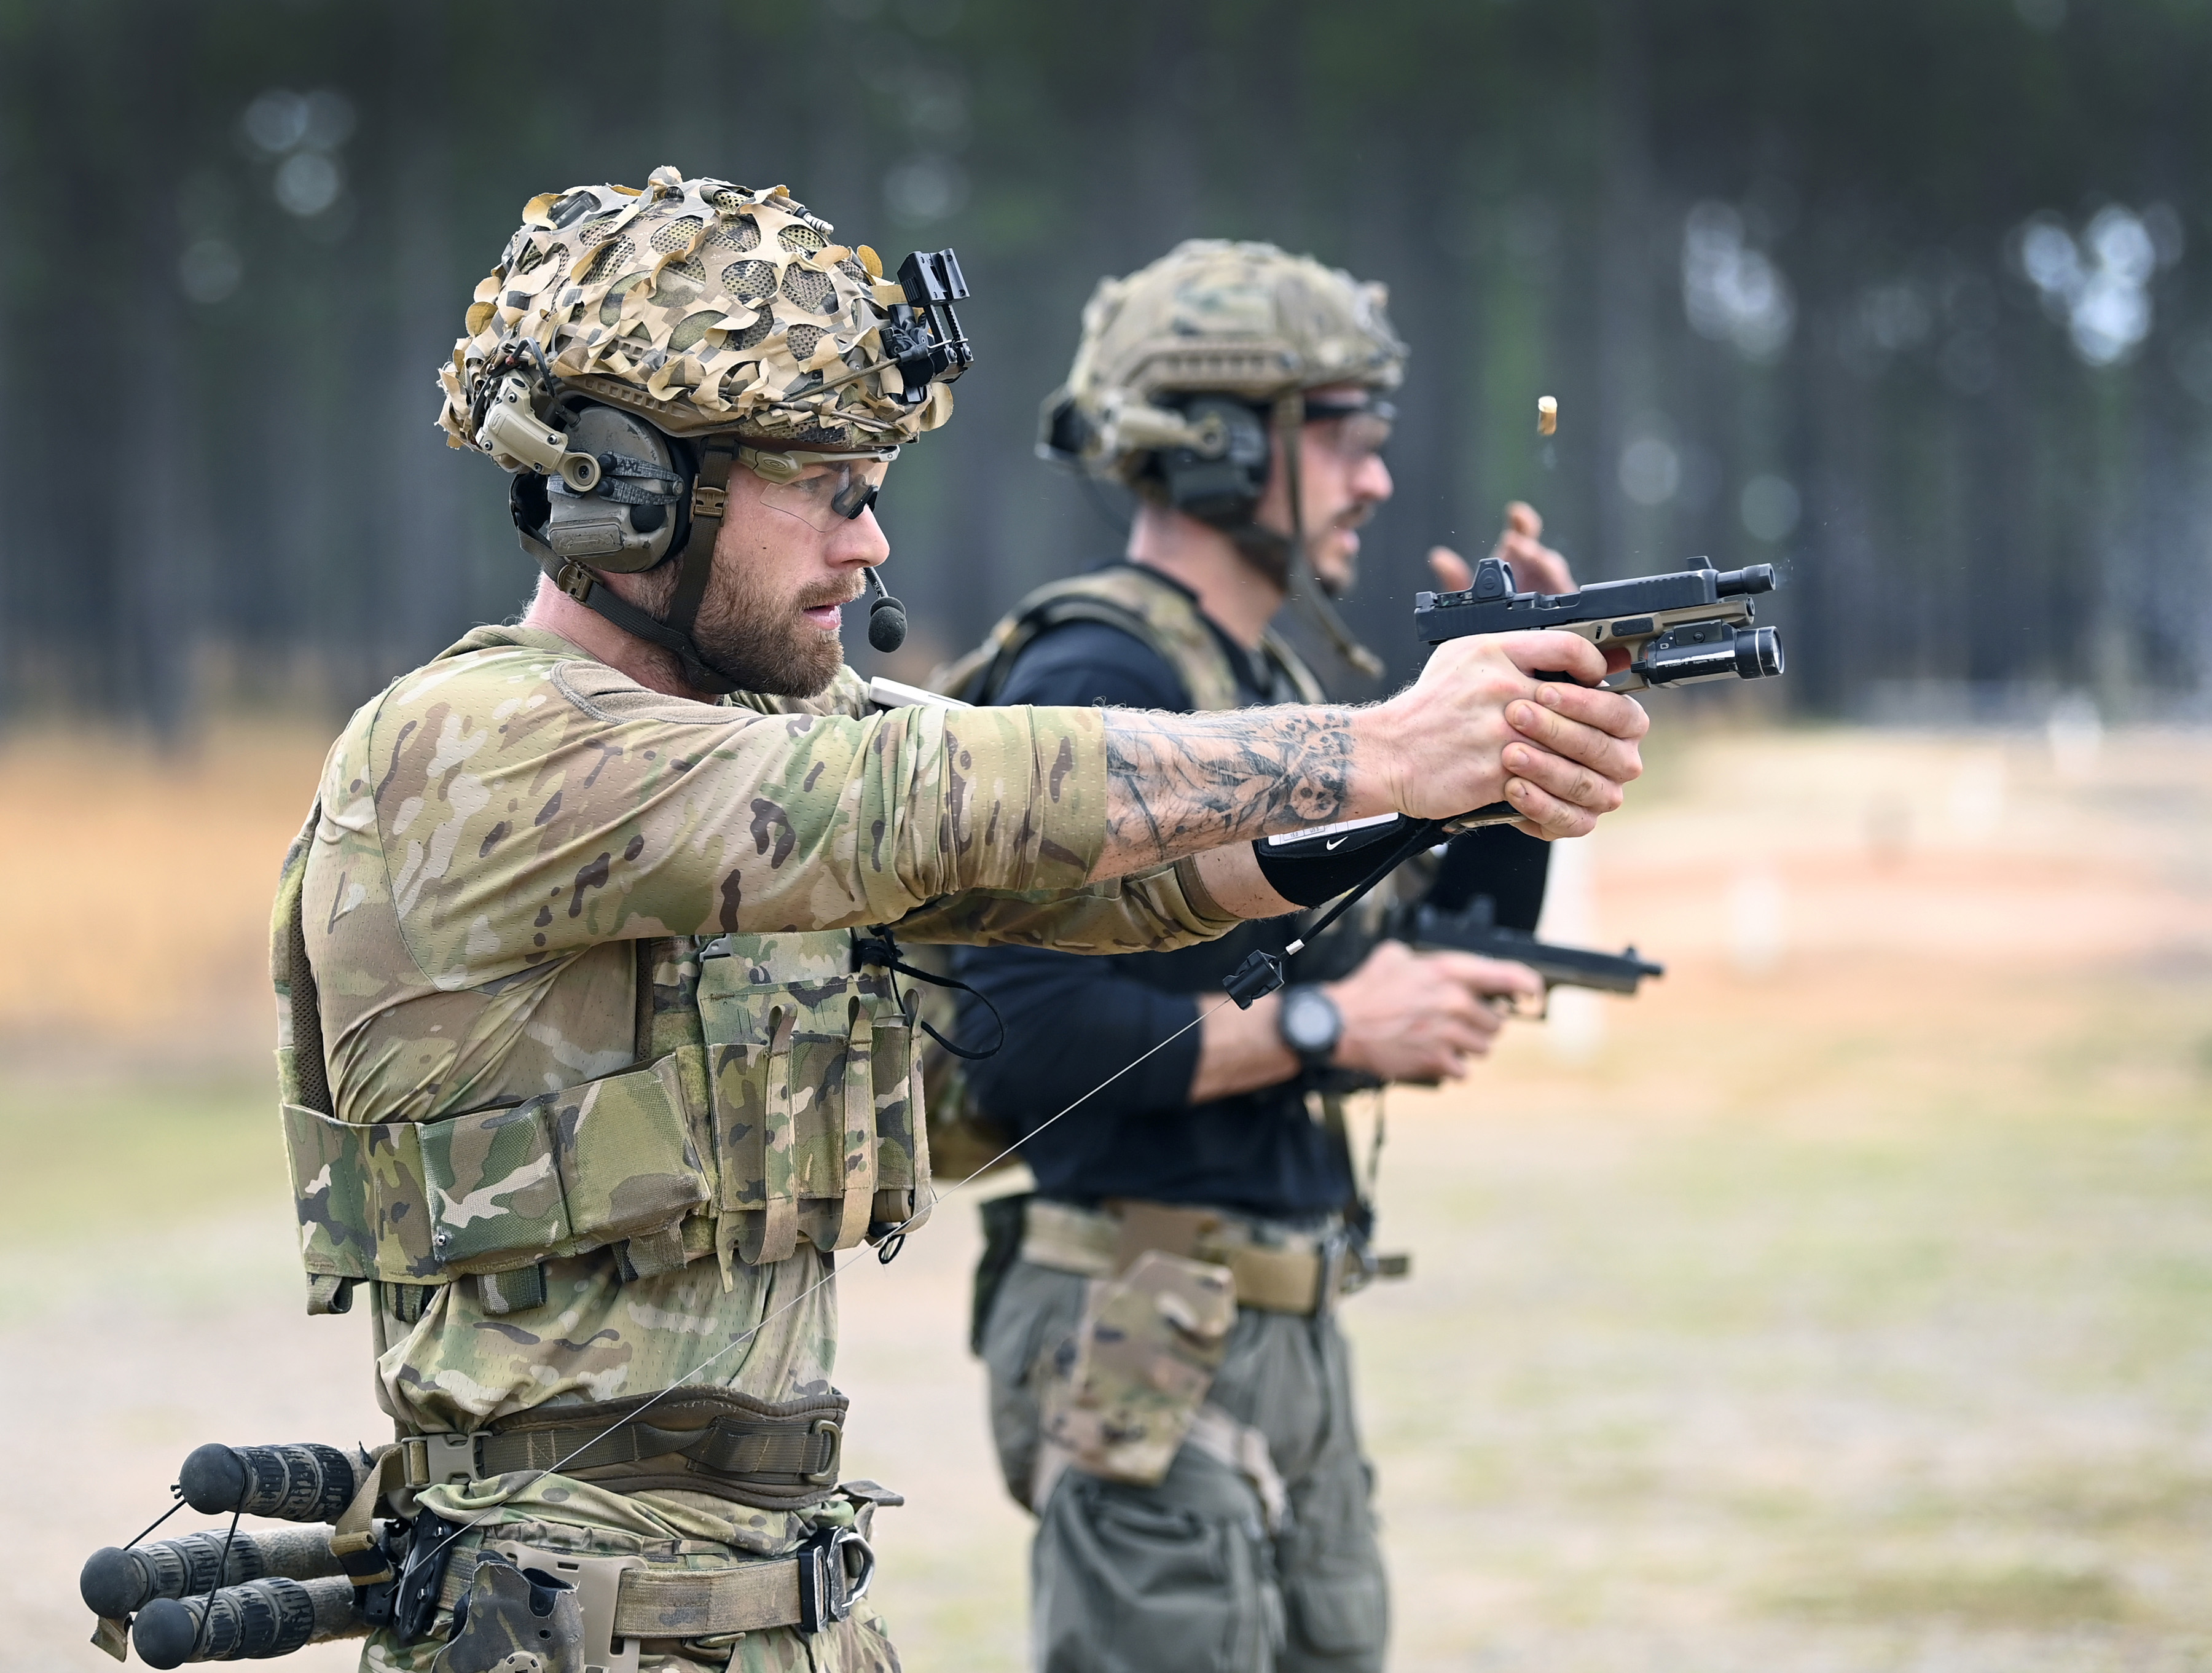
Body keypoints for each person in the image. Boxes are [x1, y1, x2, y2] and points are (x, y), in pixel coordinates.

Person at [270, 178, 1644, 1673]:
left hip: (771, 1608)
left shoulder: (764, 732)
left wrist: (1452, 787)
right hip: (565, 1628)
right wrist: (1378, 746)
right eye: (831, 486)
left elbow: (1113, 884)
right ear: (630, 488)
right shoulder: (478, 749)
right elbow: (935, 790)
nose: (870, 545)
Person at [951, 240, 1591, 1673]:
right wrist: (1326, 1034)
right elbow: (1018, 1039)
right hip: (1141, 1315)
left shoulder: (1274, 691)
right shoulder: (1096, 682)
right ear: (1224, 446)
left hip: (1278, 1316)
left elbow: (1409, 955)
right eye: (1345, 435)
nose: (1374, 478)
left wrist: (1514, 758)